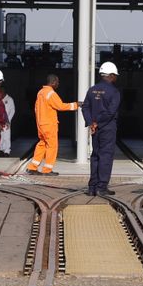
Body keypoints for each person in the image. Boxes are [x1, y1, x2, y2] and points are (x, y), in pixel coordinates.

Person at [25, 73, 78, 175]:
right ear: (53, 82)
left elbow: (36, 108)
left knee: (42, 144)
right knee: (52, 146)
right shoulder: (51, 93)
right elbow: (61, 106)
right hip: (49, 124)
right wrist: (76, 105)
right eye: (57, 82)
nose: (58, 84)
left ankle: (32, 167)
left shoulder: (40, 92)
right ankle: (47, 169)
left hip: (41, 124)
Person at [82, 62, 121, 196]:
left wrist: (91, 123)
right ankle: (101, 187)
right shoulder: (114, 92)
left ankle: (92, 187)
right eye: (115, 75)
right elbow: (110, 112)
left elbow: (85, 107)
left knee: (95, 156)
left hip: (95, 128)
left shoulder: (92, 90)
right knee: (106, 156)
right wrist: (98, 123)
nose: (116, 78)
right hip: (107, 127)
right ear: (111, 75)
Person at [1, 90, 17, 157]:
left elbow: (12, 110)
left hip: (7, 122)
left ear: (3, 92)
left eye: (0, 92)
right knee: (0, 136)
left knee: (6, 136)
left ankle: (7, 151)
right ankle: (0, 149)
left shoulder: (10, 99)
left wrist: (8, 120)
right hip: (0, 121)